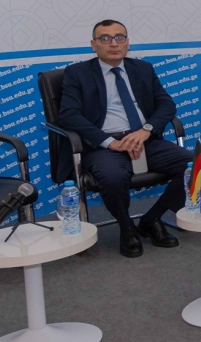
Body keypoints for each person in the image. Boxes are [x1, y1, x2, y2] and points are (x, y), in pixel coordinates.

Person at [57, 20, 193, 257]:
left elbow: (166, 104)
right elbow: (69, 114)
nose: (114, 43)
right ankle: (126, 227)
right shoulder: (77, 73)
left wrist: (146, 130)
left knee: (194, 165)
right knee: (112, 178)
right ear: (93, 45)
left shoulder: (143, 69)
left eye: (119, 37)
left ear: (127, 42)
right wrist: (109, 142)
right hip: (104, 145)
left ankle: (151, 219)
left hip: (144, 139)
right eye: (105, 38)